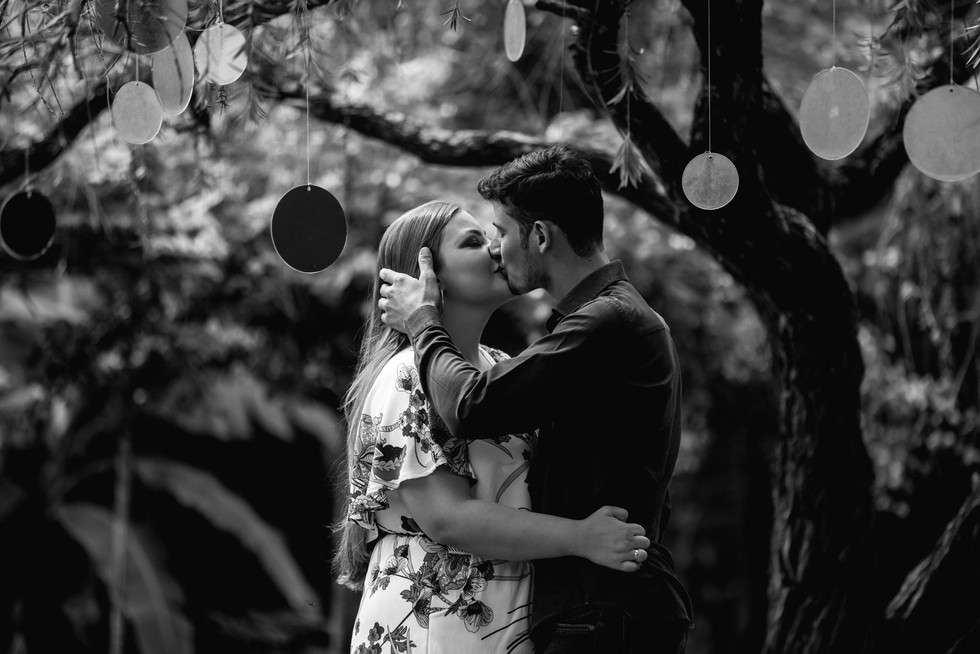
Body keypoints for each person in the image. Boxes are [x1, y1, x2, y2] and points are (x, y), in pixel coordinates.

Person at [377, 146, 694, 653]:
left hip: (602, 607)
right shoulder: (599, 323)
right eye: (479, 240)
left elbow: (471, 406)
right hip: (575, 608)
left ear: (541, 236)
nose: (496, 250)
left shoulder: (604, 322)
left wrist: (422, 321)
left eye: (499, 233)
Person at [335, 200, 653, 654]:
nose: (496, 248)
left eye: (490, 236)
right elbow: (446, 518)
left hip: (507, 624)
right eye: (472, 242)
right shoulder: (406, 374)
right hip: (432, 624)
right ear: (430, 277)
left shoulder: (499, 368)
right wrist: (581, 537)